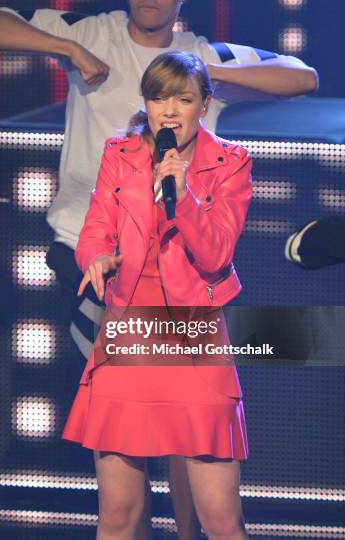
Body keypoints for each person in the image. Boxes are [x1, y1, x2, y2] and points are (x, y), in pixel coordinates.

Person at [0, 0, 317, 536]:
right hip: (101, 270)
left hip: (188, 295)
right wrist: (66, 51)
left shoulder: (206, 66)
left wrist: (204, 73)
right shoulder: (92, 36)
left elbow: (301, 75)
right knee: (124, 481)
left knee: (198, 470)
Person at [62, 50, 252, 540]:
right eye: (158, 97)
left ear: (203, 105)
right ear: (146, 104)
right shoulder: (119, 155)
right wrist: (96, 259)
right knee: (119, 517)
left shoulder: (230, 164)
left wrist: (182, 195)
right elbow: (95, 231)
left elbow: (216, 254)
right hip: (128, 335)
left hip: (194, 337)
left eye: (183, 99)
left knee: (221, 521)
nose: (169, 111)